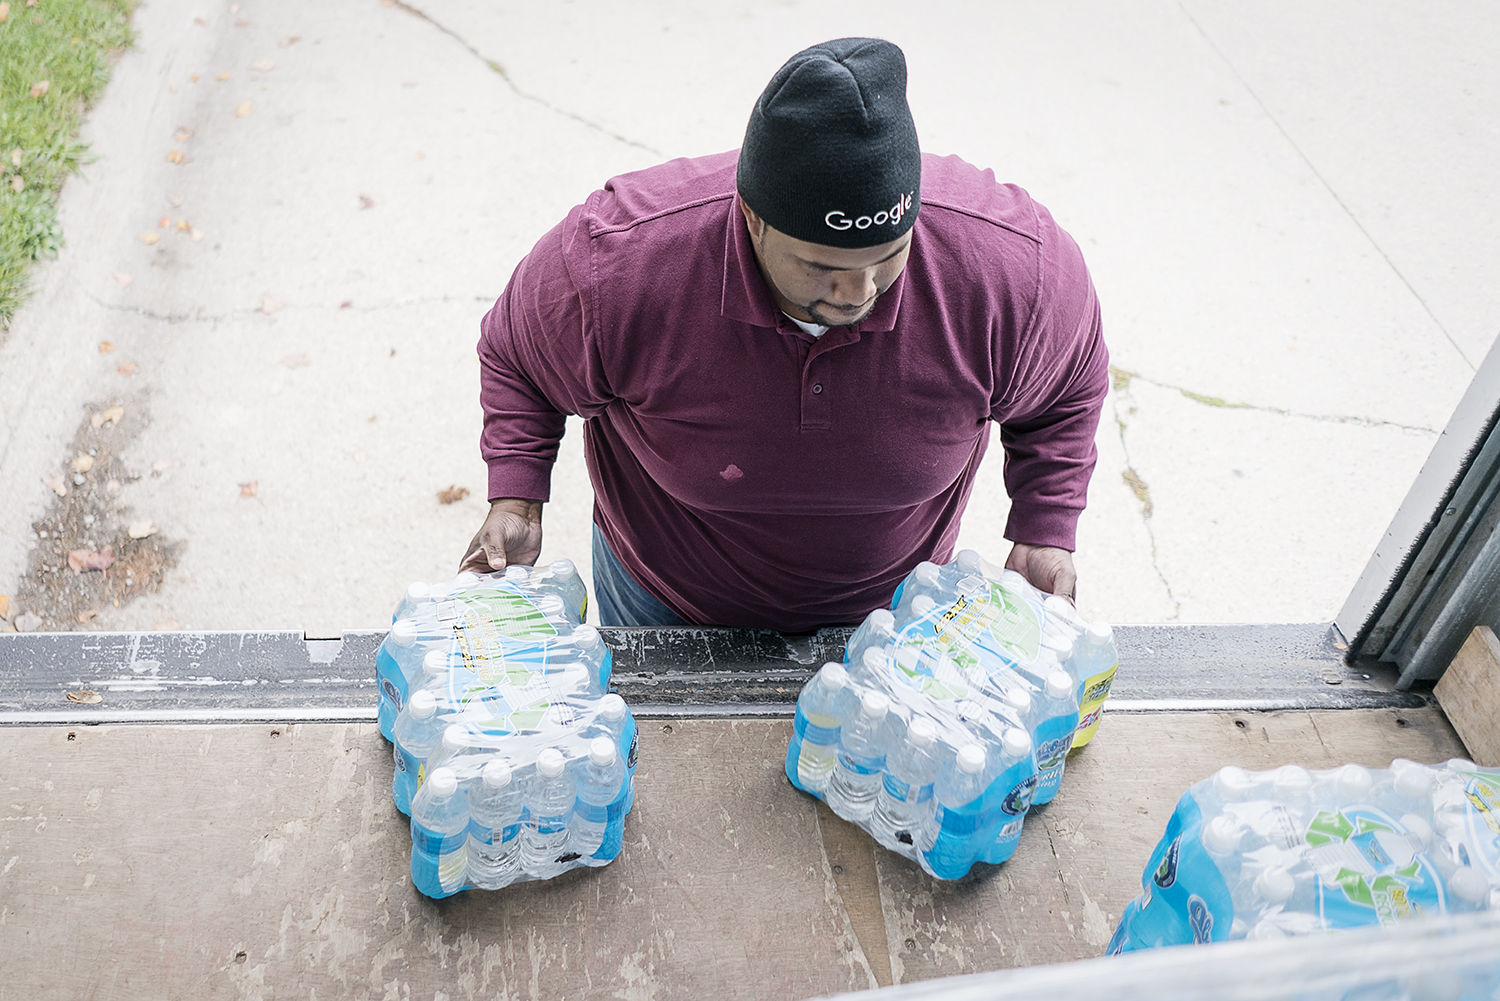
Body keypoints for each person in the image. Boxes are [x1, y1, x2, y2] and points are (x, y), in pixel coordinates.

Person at [460, 37, 1108, 632]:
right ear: (751, 218)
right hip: (667, 601)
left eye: (888, 256)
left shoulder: (1014, 269)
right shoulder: (618, 265)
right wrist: (517, 496)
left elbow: (1066, 386)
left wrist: (1045, 527)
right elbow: (520, 359)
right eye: (822, 266)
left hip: (896, 617)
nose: (859, 293)